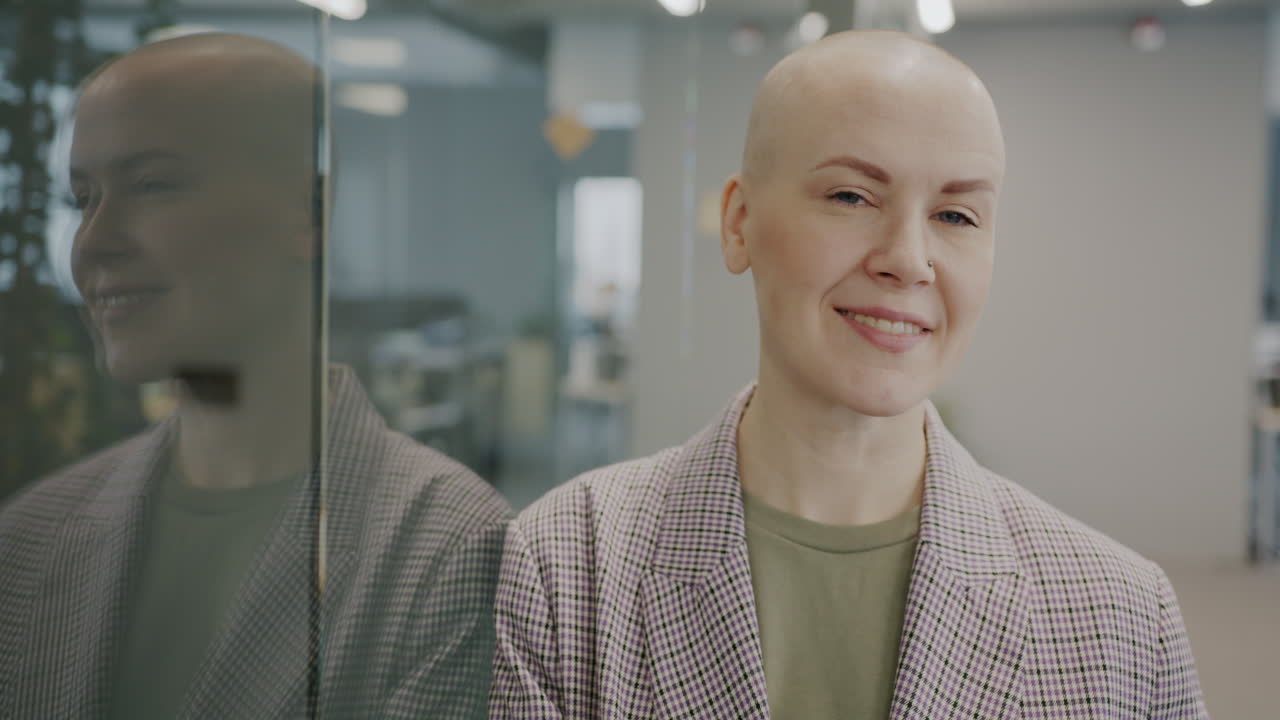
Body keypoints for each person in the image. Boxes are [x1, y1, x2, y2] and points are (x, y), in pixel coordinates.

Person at [489, 30, 1207, 719]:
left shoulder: (1122, 616)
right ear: (739, 224)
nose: (909, 259)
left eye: (956, 215)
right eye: (851, 197)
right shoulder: (568, 567)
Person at [0, 33, 511, 719]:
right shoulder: (33, 536)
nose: (93, 242)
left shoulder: (446, 550)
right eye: (82, 197)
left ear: (309, 214)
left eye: (153, 185)